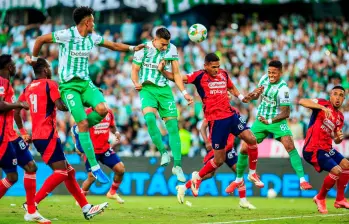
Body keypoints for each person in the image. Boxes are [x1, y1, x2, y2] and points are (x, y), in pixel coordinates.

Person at [26, 6, 144, 183]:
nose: (94, 24)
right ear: (87, 22)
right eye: (93, 21)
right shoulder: (67, 35)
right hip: (69, 86)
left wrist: (133, 48)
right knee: (82, 123)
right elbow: (41, 39)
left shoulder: (92, 38)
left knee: (103, 109)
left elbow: (113, 45)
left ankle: (79, 130)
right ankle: (94, 166)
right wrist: (33, 61)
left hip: (86, 84)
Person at [16, 58, 108, 221]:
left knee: (69, 172)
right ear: (44, 70)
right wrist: (81, 103)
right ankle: (32, 204)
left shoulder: (28, 88)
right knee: (61, 172)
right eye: (49, 68)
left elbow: (17, 109)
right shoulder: (50, 84)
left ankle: (86, 208)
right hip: (48, 135)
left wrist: (23, 131)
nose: (51, 70)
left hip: (38, 136)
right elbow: (60, 106)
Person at [159, 52, 262, 196]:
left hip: (230, 115)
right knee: (218, 160)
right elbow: (176, 77)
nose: (216, 70)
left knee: (251, 139)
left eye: (218, 66)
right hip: (216, 121)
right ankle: (198, 178)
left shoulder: (223, 74)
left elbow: (231, 87)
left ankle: (252, 173)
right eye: (213, 67)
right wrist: (162, 70)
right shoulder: (199, 76)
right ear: (205, 66)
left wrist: (241, 97)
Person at [225, 60, 312, 194]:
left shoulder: (283, 89)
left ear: (280, 73)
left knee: (289, 145)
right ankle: (238, 180)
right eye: (269, 72)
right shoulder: (264, 79)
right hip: (261, 119)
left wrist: (270, 120)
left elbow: (286, 113)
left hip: (277, 121)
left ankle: (302, 180)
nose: (271, 75)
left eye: (274, 73)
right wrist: (254, 94)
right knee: (243, 147)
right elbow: (255, 97)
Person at [131, 27, 193, 182]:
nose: (165, 47)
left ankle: (177, 166)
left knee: (173, 128)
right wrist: (135, 82)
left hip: (164, 90)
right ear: (155, 39)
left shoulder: (171, 49)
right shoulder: (143, 49)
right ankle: (163, 152)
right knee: (150, 119)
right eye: (163, 44)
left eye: (167, 44)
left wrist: (184, 93)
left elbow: (177, 73)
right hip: (147, 88)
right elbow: (135, 69)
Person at [0, 54, 48, 222]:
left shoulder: (7, 83)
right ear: (8, 67)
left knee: (31, 167)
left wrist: (21, 131)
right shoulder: (0, 82)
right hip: (2, 138)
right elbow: (0, 106)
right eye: (12, 65)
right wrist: (19, 104)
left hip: (12, 136)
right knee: (12, 177)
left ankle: (31, 211)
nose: (15, 67)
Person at [176, 118, 256, 209]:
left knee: (239, 171)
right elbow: (203, 127)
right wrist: (206, 141)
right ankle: (184, 187)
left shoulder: (232, 112)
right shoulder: (214, 112)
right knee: (209, 174)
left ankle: (243, 200)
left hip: (229, 148)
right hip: (217, 148)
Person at [299, 86, 349, 214]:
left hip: (327, 148)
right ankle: (320, 198)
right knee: (337, 170)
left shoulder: (340, 117)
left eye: (341, 95)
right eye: (335, 94)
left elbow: (336, 138)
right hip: (313, 148)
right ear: (330, 96)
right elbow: (302, 101)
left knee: (346, 166)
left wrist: (339, 139)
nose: (338, 97)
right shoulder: (323, 103)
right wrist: (321, 108)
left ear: (344, 98)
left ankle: (340, 199)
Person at [71, 107, 125, 204]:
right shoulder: (86, 113)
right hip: (91, 151)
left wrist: (116, 132)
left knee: (120, 169)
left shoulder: (108, 112)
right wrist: (77, 145)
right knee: (91, 177)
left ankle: (112, 193)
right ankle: (80, 198)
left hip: (105, 149)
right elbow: (74, 129)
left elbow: (112, 126)